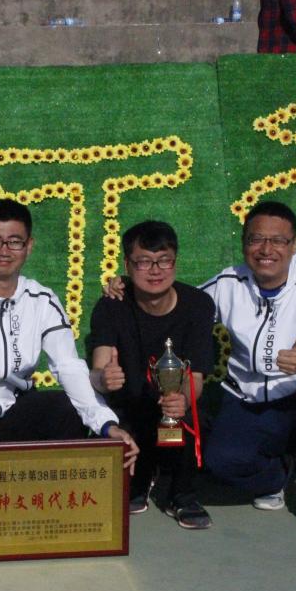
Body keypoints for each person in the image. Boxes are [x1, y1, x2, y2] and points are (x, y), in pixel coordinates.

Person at [0, 198, 138, 532]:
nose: (4, 250)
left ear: (29, 246)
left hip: (13, 414)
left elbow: (69, 367)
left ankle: (38, 492)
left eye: (14, 241)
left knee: (65, 407)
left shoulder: (42, 300)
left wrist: (107, 424)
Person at [200, 201, 296, 538]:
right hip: (247, 399)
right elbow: (182, 309)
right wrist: (128, 291)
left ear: (294, 244)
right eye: (256, 239)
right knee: (220, 462)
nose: (266, 250)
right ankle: (277, 476)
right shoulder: (227, 282)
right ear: (244, 242)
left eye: (278, 241)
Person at [87, 221, 215, 529]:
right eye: (143, 261)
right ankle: (139, 481)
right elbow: (98, 369)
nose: (155, 271)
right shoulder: (111, 305)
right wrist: (104, 379)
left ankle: (182, 495)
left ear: (175, 262)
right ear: (127, 265)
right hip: (129, 408)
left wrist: (183, 400)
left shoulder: (198, 305)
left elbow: (196, 376)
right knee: (116, 427)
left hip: (173, 409)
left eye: (164, 260)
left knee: (188, 416)